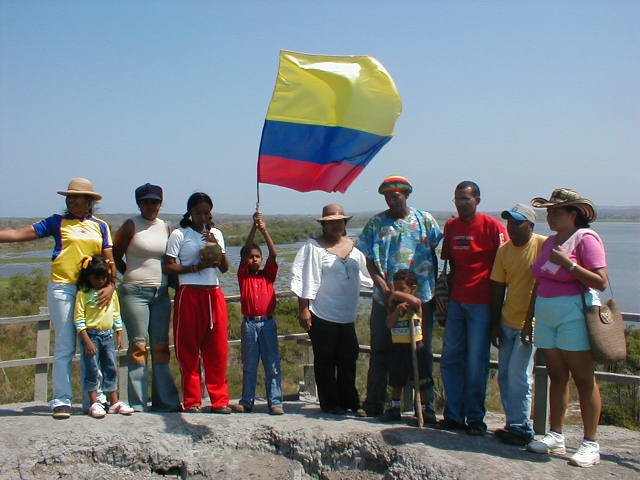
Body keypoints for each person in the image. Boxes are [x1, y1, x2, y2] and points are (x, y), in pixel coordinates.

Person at [0, 177, 115, 419]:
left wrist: (112, 285)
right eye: (69, 196)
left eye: (76, 196)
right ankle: (61, 400)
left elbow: (108, 260)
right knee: (65, 343)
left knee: (92, 342)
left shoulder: (100, 226)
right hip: (63, 287)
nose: (71, 200)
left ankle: (93, 399)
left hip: (90, 290)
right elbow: (23, 232)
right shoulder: (57, 222)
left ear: (89, 201)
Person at [524, 188, 608, 468]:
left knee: (584, 378)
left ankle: (590, 443)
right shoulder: (550, 242)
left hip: (573, 312)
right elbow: (538, 281)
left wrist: (569, 264)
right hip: (547, 313)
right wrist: (529, 317)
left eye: (556, 212)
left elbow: (600, 281)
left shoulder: (586, 239)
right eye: (548, 212)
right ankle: (555, 434)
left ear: (574, 214)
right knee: (556, 375)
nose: (550, 216)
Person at [358, 175, 442, 421]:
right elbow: (369, 260)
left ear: (407, 194)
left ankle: (427, 407)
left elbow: (437, 251)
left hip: (421, 298)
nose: (392, 198)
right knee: (382, 349)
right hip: (386, 297)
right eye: (388, 194)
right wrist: (382, 284)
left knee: (422, 351)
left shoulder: (425, 220)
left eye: (397, 194)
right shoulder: (375, 224)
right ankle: (377, 403)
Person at [440, 180, 508, 435]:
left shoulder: (493, 226)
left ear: (477, 200)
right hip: (457, 301)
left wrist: (497, 312)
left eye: (465, 199)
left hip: (482, 303)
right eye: (457, 199)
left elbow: (505, 265)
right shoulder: (451, 225)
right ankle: (453, 414)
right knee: (450, 359)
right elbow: (450, 265)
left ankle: (475, 418)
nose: (460, 204)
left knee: (476, 362)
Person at [291, 204, 373, 416]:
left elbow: (368, 274)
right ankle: (330, 403)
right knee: (325, 359)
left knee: (348, 358)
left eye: (339, 221)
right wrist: (304, 309)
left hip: (347, 315)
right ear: (324, 225)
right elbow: (304, 278)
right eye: (331, 223)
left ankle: (350, 401)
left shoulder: (354, 247)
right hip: (322, 312)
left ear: (344, 223)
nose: (336, 225)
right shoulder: (313, 248)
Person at [113, 183, 180, 412]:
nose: (151, 206)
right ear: (138, 203)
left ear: (161, 203)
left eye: (155, 202)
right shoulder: (131, 226)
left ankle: (166, 402)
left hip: (160, 294)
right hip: (135, 293)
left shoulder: (167, 228)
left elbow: (172, 259)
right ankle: (138, 403)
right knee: (138, 346)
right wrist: (129, 275)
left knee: (161, 347)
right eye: (146, 202)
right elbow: (115, 254)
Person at [165, 192, 232, 414]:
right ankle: (193, 400)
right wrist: (194, 268)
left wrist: (216, 246)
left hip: (213, 293)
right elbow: (170, 265)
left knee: (217, 349)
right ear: (190, 213)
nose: (203, 217)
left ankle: (219, 400)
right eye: (198, 213)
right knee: (189, 349)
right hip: (190, 293)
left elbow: (224, 268)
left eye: (206, 213)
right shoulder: (179, 234)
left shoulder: (217, 234)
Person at [490, 204, 546, 445]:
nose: (511, 227)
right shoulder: (504, 251)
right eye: (509, 222)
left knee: (519, 375)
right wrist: (495, 323)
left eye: (517, 223)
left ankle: (522, 426)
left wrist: (529, 324)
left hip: (530, 324)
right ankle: (512, 422)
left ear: (530, 226)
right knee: (504, 375)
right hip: (508, 321)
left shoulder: (543, 245)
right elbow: (498, 288)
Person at [233, 211, 284, 415]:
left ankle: (275, 401)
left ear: (262, 259)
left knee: (272, 364)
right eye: (251, 257)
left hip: (268, 323)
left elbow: (274, 253)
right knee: (250, 364)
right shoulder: (243, 276)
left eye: (257, 257)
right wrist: (253, 227)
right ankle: (247, 401)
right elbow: (245, 250)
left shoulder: (268, 276)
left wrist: (265, 230)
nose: (254, 260)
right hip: (250, 324)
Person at [74, 255, 134, 418]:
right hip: (92, 336)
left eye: (103, 278)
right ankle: (94, 403)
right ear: (88, 277)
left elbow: (116, 312)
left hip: (108, 335)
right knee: (92, 369)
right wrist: (86, 341)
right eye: (96, 278)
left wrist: (119, 332)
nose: (100, 281)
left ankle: (114, 402)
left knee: (110, 368)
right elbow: (79, 319)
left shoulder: (110, 293)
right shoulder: (83, 294)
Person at [380, 270, 429, 423]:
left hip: (416, 347)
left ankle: (424, 409)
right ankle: (395, 407)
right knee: (397, 380)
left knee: (420, 380)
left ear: (412, 289)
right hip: (399, 347)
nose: (397, 293)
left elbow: (417, 303)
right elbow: (389, 324)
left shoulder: (416, 304)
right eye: (395, 289)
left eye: (402, 289)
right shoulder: (393, 306)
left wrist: (395, 295)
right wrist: (397, 310)